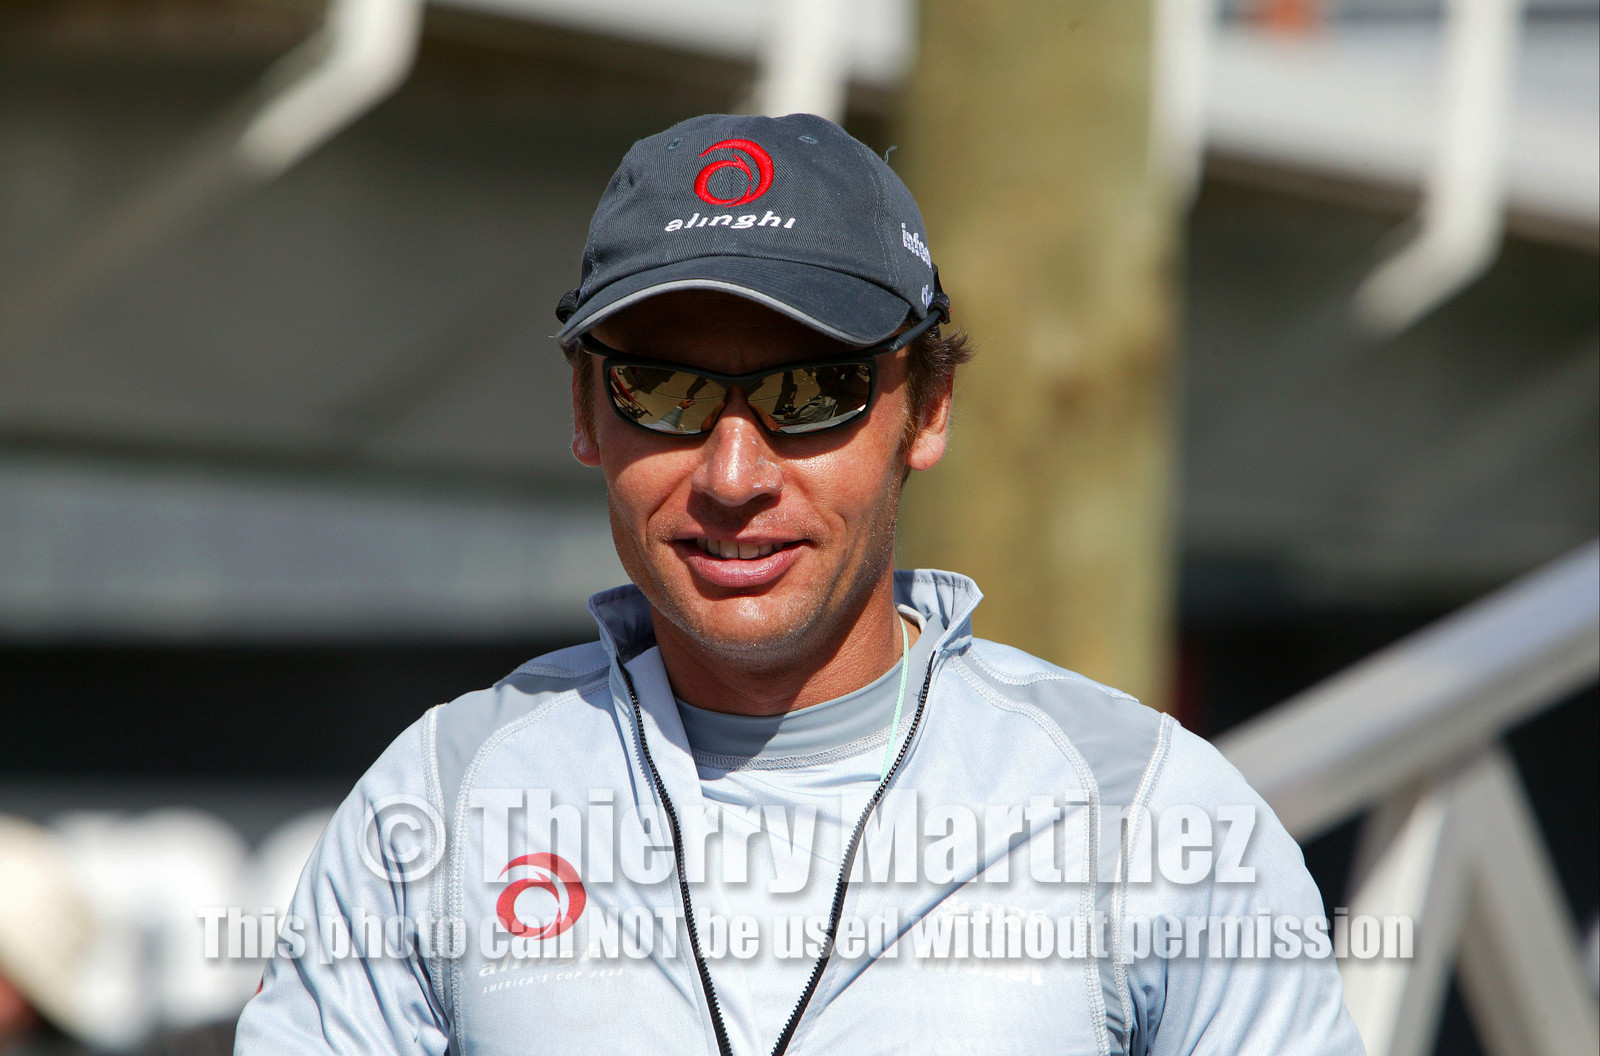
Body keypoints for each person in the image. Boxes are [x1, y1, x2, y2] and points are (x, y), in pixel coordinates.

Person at [235, 113, 1365, 1055]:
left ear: (926, 410)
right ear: (585, 413)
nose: (733, 475)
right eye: (663, 392)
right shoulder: (437, 807)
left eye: (813, 391)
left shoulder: (1146, 817)